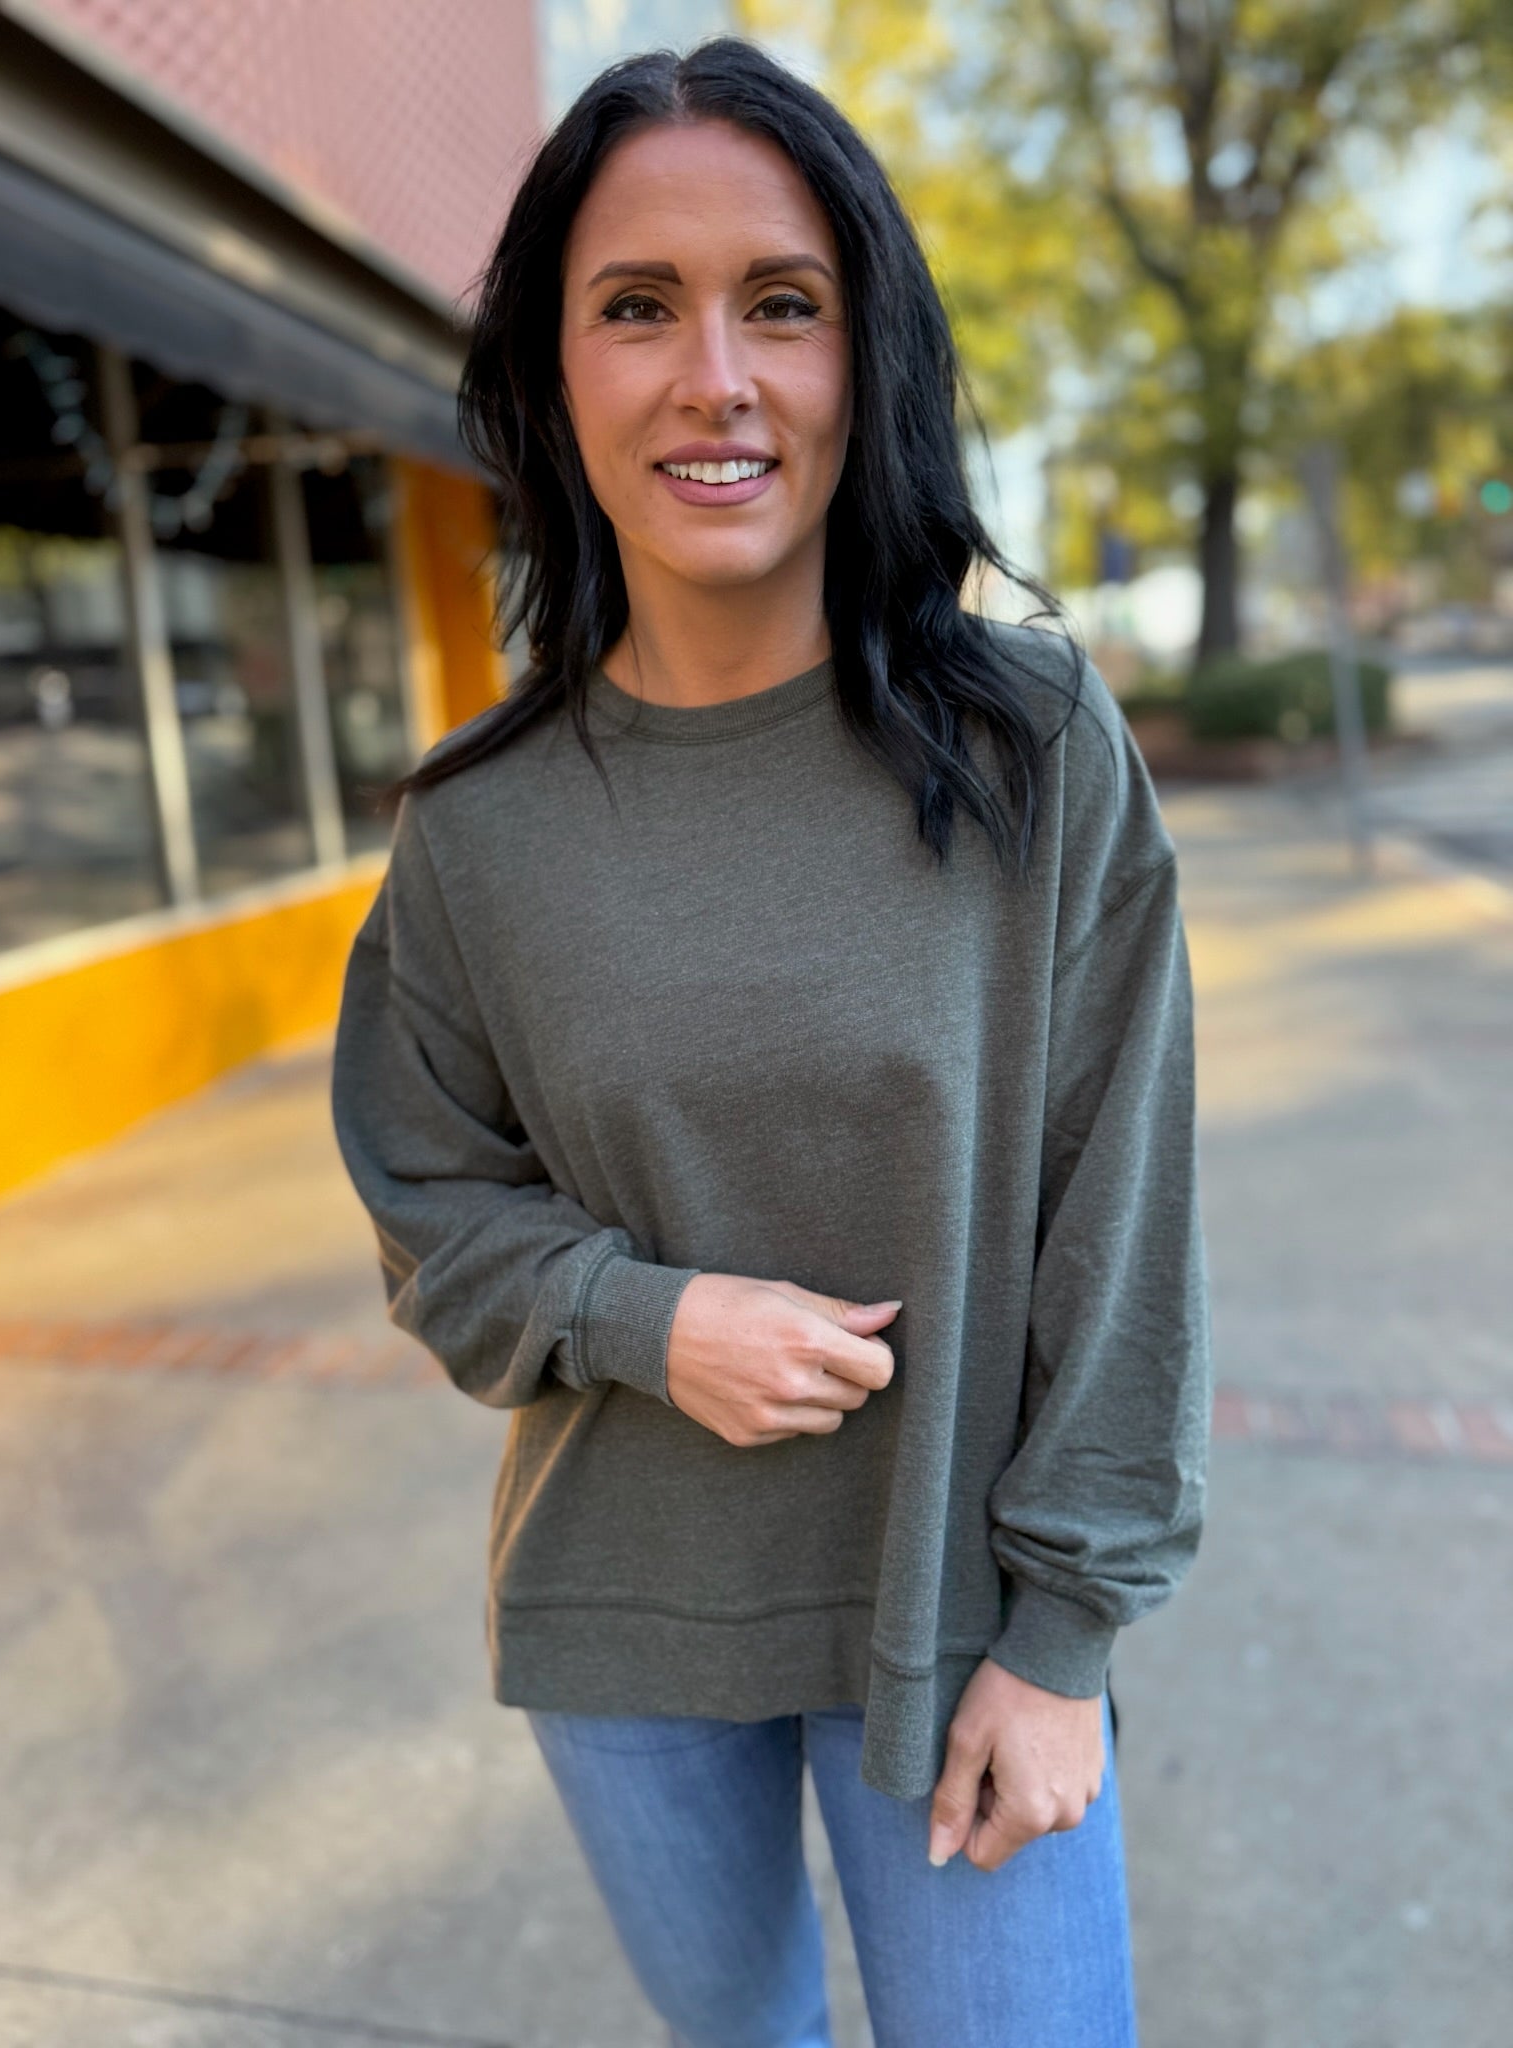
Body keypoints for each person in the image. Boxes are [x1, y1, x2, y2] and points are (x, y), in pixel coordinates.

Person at [331, 34, 1212, 2048]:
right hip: (623, 1621)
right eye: (639, 306)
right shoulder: (477, 828)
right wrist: (643, 1319)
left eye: (782, 305)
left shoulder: (1031, 747)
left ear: (862, 357)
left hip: (963, 1623)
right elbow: (428, 1204)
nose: (714, 376)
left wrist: (1068, 1633)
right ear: (556, 368)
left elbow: (1127, 1220)